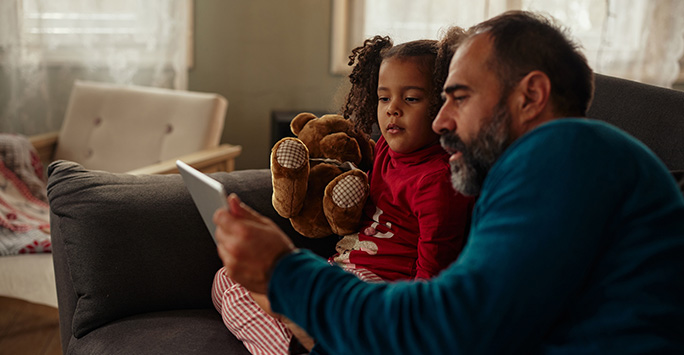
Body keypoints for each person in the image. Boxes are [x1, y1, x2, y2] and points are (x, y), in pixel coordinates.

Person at [215, 11, 684, 354]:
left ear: (532, 96)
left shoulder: (567, 150)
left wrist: (283, 274)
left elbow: (451, 326)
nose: (440, 121)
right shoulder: (536, 173)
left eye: (458, 96)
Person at [211, 28, 475, 354]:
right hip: (341, 267)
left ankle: (295, 342)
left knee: (285, 296)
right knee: (226, 278)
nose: (392, 109)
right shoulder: (383, 152)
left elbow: (433, 276)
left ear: (441, 104)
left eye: (411, 98)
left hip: (381, 289)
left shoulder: (438, 180)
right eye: (383, 97)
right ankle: (300, 338)